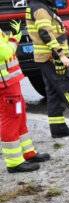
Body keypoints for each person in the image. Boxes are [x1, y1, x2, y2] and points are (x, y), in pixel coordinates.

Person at [24, 0, 69, 138]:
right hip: (52, 57)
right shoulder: (40, 8)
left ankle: (57, 127)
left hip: (46, 57)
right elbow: (45, 33)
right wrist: (61, 55)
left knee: (53, 92)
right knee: (67, 90)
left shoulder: (37, 6)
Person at [0, 21, 50, 173]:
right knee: (11, 119)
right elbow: (4, 53)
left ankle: (28, 153)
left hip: (11, 83)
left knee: (20, 116)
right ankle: (14, 162)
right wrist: (14, 40)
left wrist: (10, 38)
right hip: (5, 86)